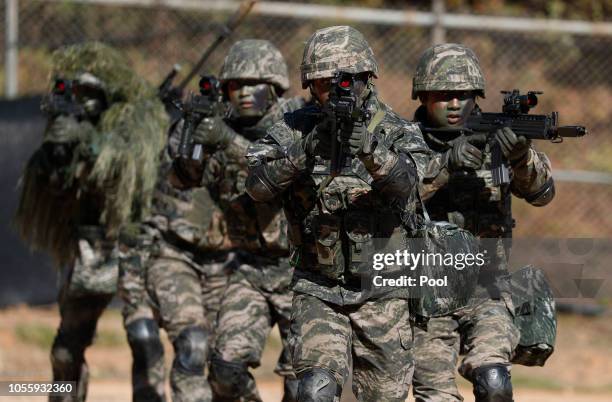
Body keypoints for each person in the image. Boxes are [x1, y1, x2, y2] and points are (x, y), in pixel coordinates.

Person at [245, 26, 430, 401]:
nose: (336, 92)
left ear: (366, 79)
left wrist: (370, 151)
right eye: (325, 83)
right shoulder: (295, 127)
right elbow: (257, 186)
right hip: (319, 287)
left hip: (384, 291)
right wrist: (303, 151)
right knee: (314, 391)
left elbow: (411, 185)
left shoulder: (396, 129)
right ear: (310, 88)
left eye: (346, 82)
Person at [14, 42, 168, 402]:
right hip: (88, 253)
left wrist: (88, 142)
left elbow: (122, 169)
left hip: (130, 249)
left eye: (90, 95)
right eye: (77, 94)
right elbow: (52, 188)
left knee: (144, 338)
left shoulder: (128, 134)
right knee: (65, 351)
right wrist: (58, 155)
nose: (83, 103)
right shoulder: (63, 136)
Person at [411, 43, 555, 402]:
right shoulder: (402, 141)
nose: (456, 103)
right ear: (424, 97)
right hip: (426, 296)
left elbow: (542, 194)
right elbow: (392, 195)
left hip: (486, 289)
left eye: (465, 95)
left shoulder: (498, 138)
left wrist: (520, 157)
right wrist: (444, 165)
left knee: (494, 383)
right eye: (444, 95)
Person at [165, 39, 304, 402]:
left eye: (252, 84)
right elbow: (183, 179)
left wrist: (225, 139)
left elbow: (280, 168)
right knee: (225, 372)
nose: (242, 93)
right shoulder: (219, 125)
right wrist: (193, 138)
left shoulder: (298, 121)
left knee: (305, 384)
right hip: (249, 269)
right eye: (234, 85)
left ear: (274, 86)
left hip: (303, 273)